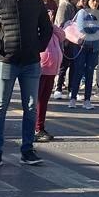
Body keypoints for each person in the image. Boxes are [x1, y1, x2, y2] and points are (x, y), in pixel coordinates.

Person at [0, 0, 51, 169]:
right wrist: (0, 49)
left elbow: (46, 28)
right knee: (0, 107)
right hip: (5, 62)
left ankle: (28, 150)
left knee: (30, 107)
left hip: (31, 62)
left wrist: (37, 47)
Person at [69, 0, 99, 109]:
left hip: (94, 47)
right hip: (81, 46)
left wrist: (91, 27)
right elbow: (81, 28)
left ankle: (87, 100)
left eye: (97, 1)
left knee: (90, 73)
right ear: (88, 2)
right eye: (93, 0)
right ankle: (73, 98)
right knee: (78, 72)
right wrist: (95, 27)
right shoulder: (82, 13)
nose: (95, 3)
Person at [35, 10, 64, 143]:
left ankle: (40, 126)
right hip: (41, 68)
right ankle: (35, 128)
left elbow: (62, 35)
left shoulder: (52, 29)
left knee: (44, 101)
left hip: (52, 70)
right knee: (36, 101)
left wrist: (51, 25)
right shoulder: (37, 27)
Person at [54, 0, 79, 96]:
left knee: (73, 64)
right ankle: (58, 88)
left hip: (72, 39)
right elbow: (62, 23)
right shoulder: (65, 5)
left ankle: (71, 89)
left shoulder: (72, 6)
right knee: (64, 65)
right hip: (65, 40)